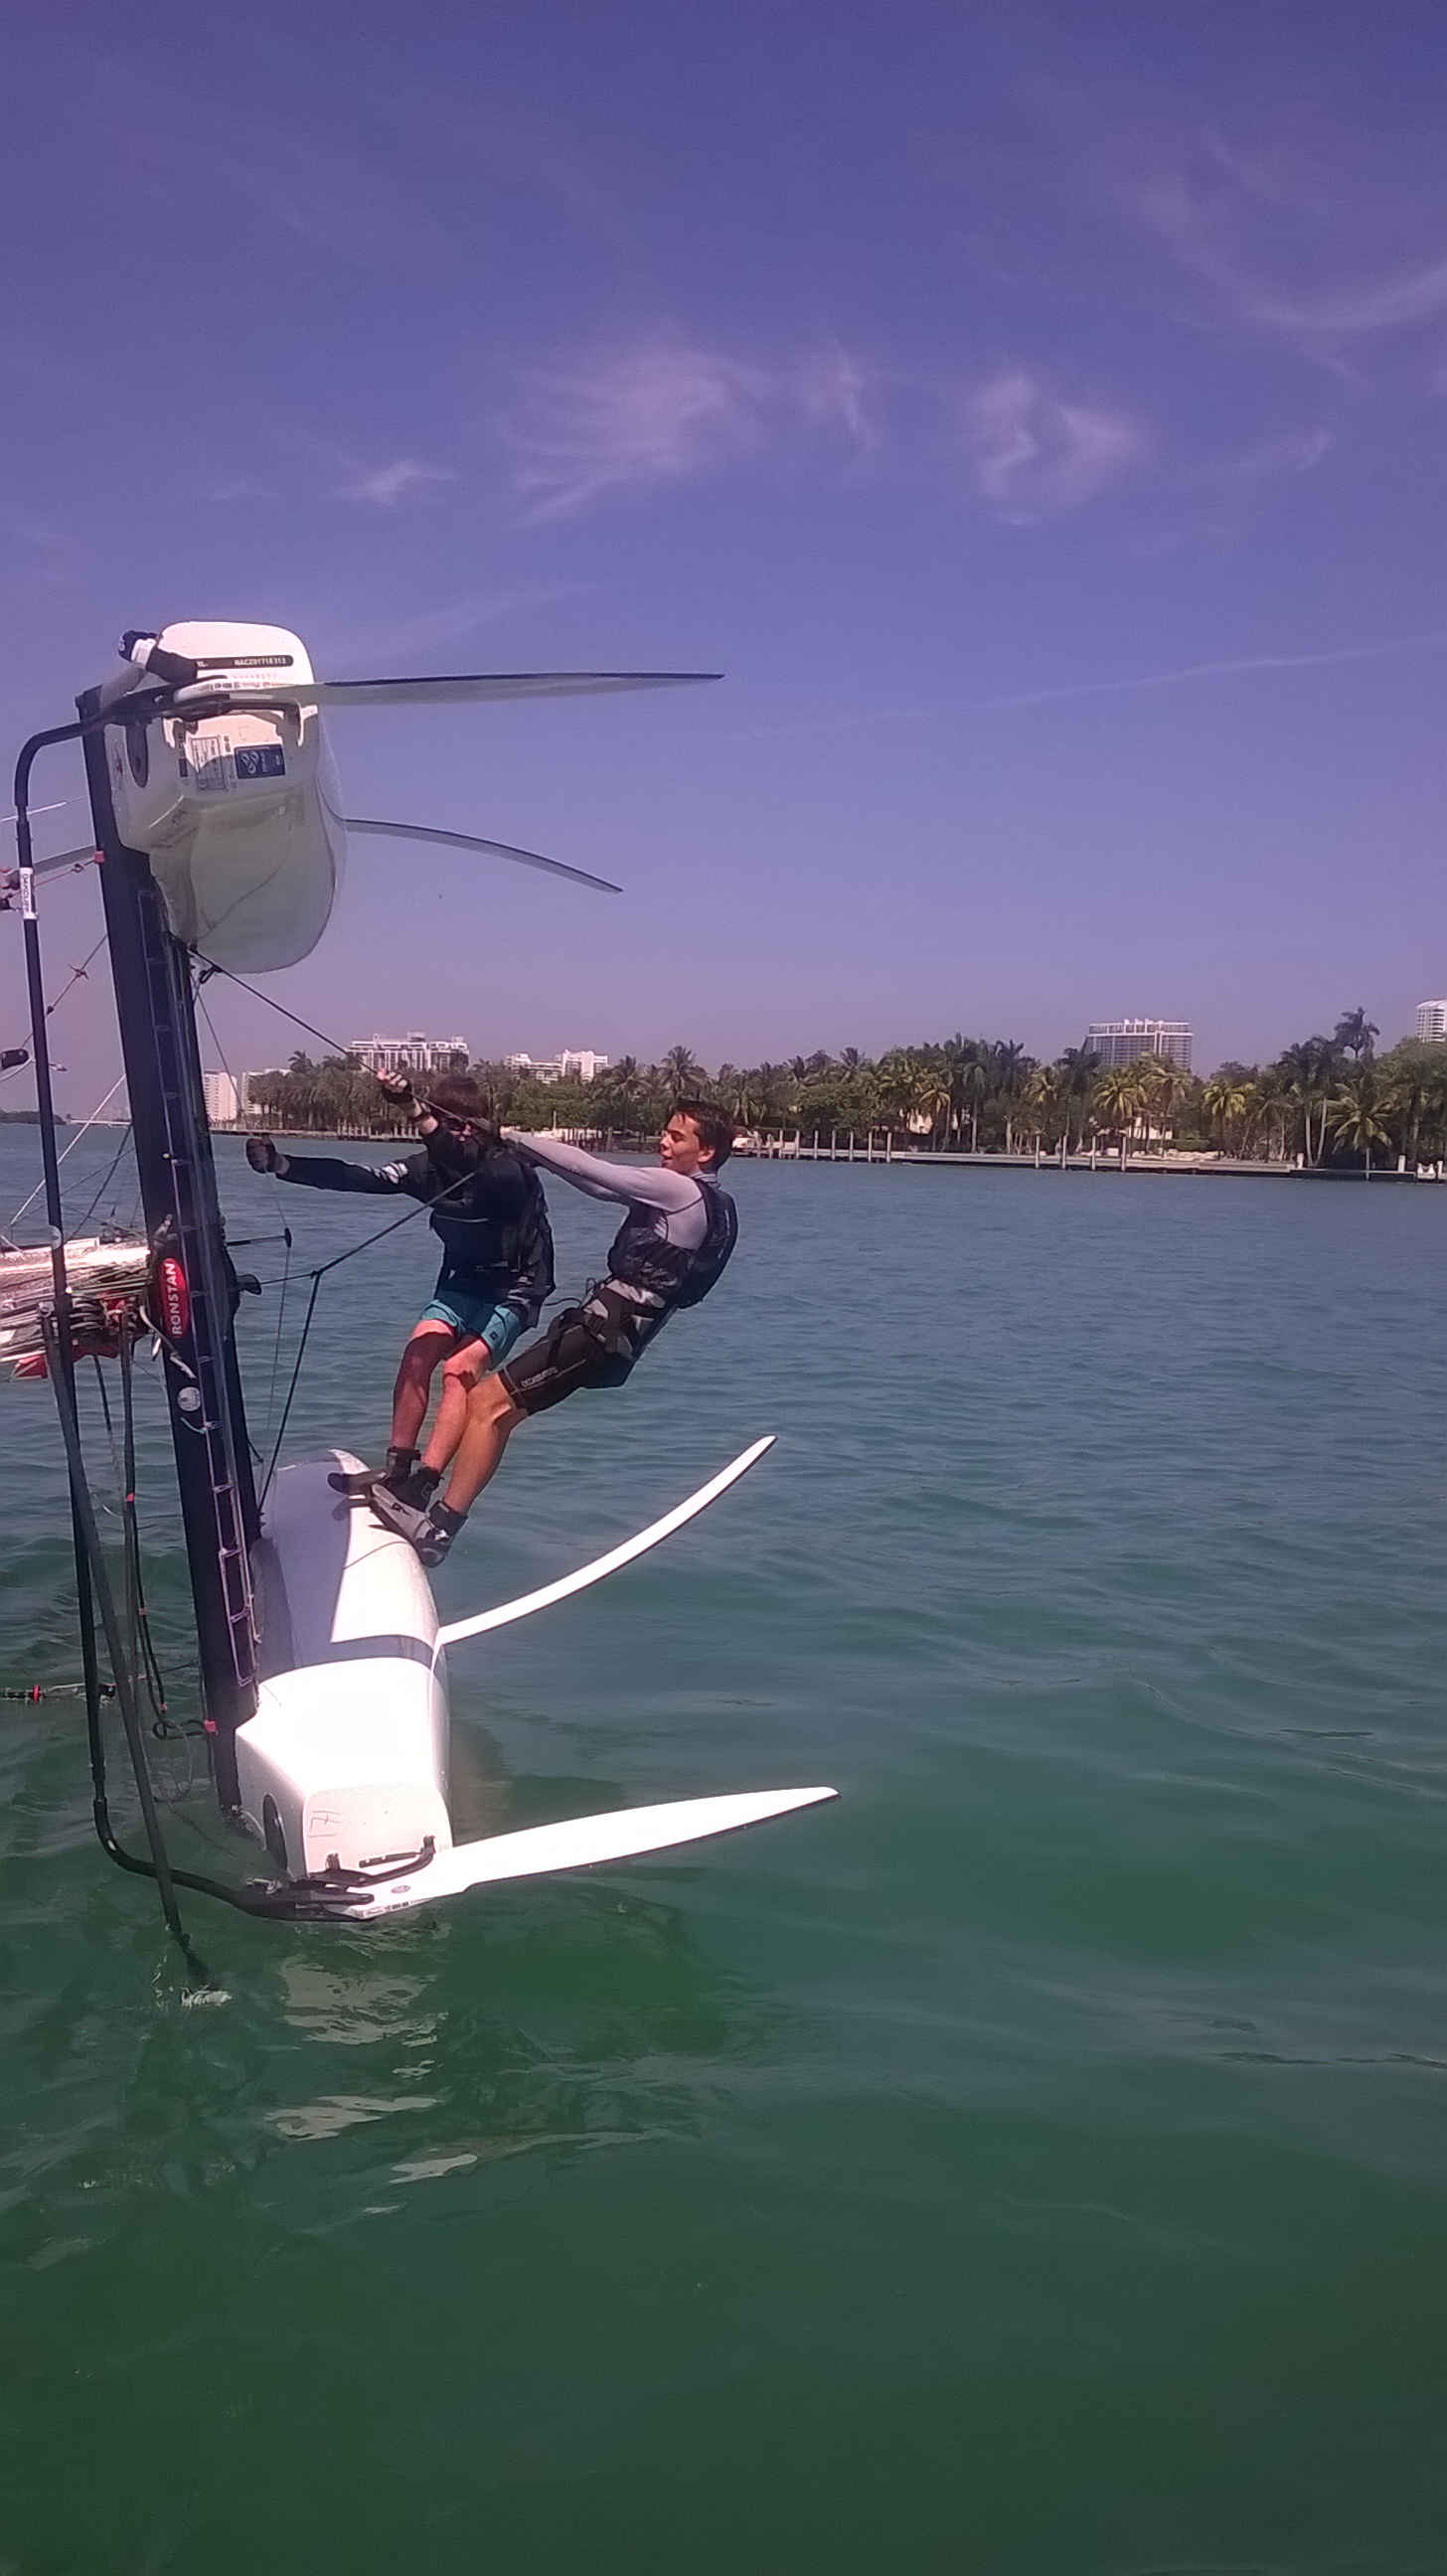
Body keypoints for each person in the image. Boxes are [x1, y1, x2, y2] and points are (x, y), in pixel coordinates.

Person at [370, 1099, 737, 1565]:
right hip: (617, 1338)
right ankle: (426, 1502)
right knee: (499, 1411)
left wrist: (511, 1136)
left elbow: (593, 1168)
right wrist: (535, 1156)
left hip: (601, 1332)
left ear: (705, 1152)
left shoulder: (677, 1190)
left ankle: (438, 1529)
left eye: (676, 1137)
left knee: (487, 1405)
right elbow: (597, 1187)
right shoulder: (713, 1204)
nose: (663, 1142)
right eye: (665, 1132)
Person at [245, 1071, 553, 1506]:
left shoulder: (507, 1170)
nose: (462, 1133)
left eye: (469, 1124)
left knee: (459, 1370)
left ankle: (424, 1483)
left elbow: (460, 1159)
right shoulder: (423, 1170)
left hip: (516, 1287)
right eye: (452, 1124)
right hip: (462, 1281)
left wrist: (414, 1109)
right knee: (417, 1355)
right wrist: (283, 1165)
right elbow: (356, 1177)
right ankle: (397, 1470)